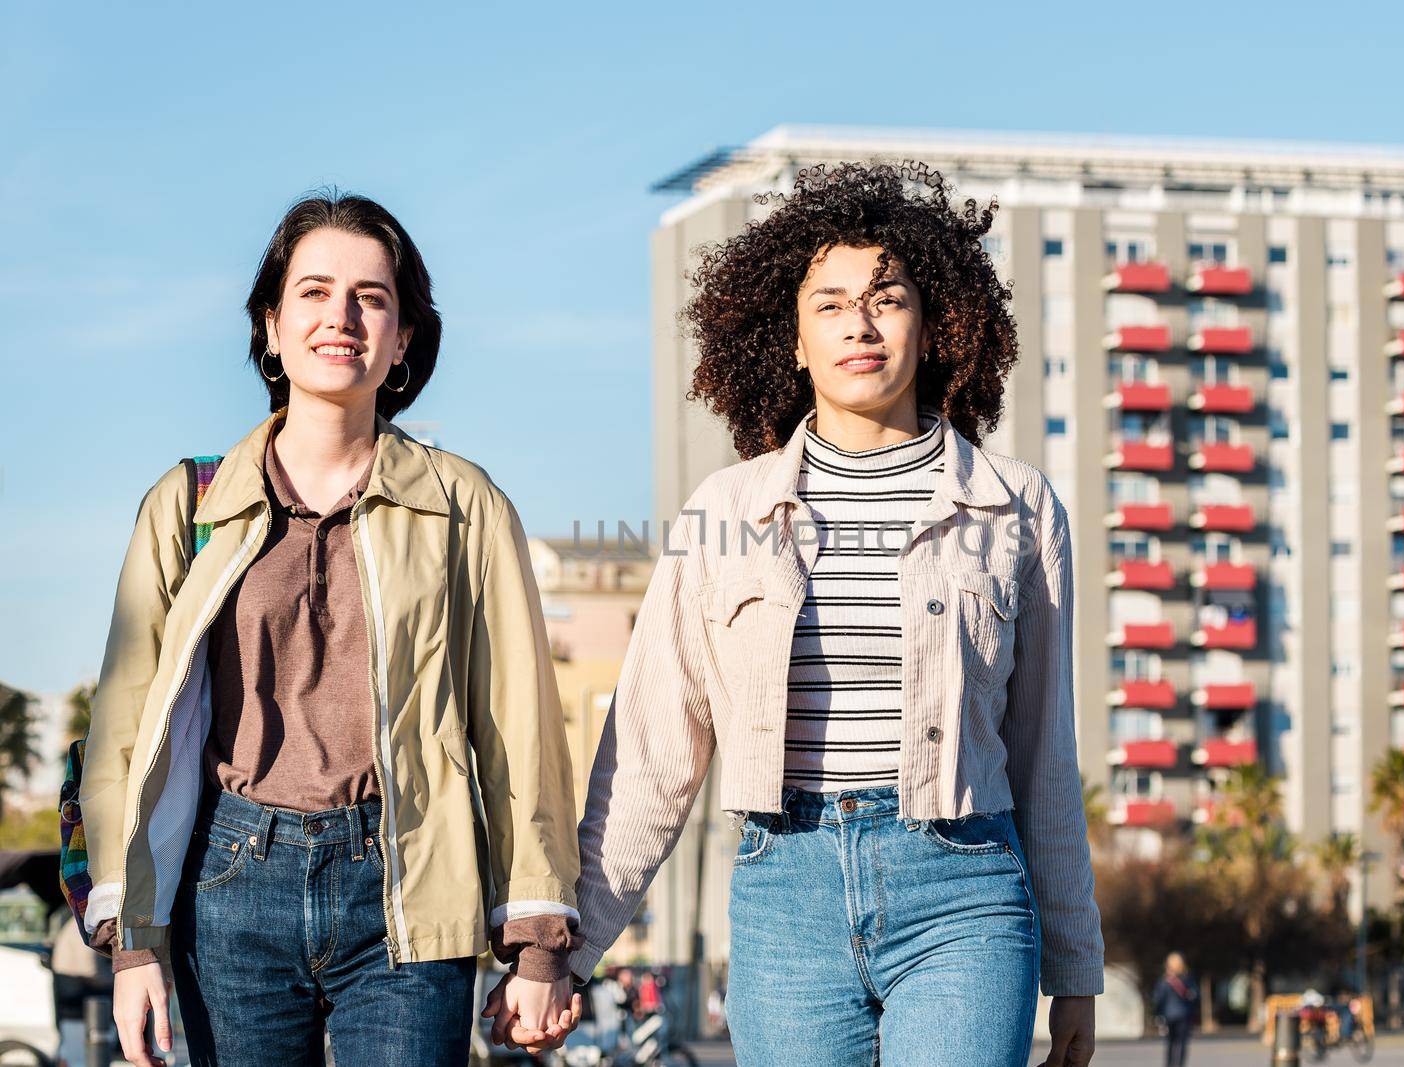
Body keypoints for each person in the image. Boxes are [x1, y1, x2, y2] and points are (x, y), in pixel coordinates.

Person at [555, 161, 1104, 1067]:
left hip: (964, 887)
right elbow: (652, 752)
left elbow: (1047, 749)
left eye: (888, 298)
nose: (860, 323)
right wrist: (568, 952)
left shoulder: (1018, 505)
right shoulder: (724, 512)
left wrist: (1074, 964)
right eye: (829, 304)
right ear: (794, 342)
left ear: (933, 327)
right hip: (786, 895)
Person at [79, 192, 584, 1067]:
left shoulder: (463, 505)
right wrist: (133, 941)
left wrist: (539, 942)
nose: (340, 317)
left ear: (404, 340)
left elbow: (519, 728)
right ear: (271, 325)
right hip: (227, 884)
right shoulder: (187, 505)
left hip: (409, 878)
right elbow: (124, 728)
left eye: (372, 297)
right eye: (313, 292)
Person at [1151, 953, 1198, 1066]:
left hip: (1169, 1016)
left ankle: (1170, 1064)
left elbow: (1158, 999)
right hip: (1183, 1015)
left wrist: (1157, 1014)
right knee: (1182, 1042)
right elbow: (1195, 996)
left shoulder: (1164, 981)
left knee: (1170, 1042)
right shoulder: (1187, 979)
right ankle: (1180, 1064)